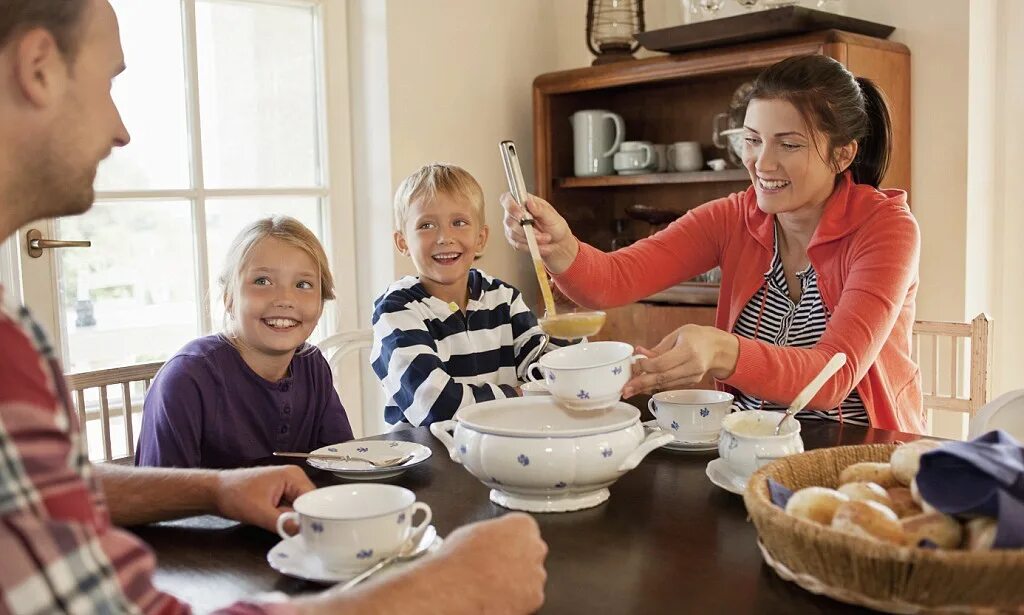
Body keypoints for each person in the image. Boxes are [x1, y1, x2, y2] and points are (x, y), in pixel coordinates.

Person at [0, 2, 547, 613]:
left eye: (306, 285)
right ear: (39, 68)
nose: (121, 129)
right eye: (109, 83)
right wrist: (444, 589)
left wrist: (218, 489)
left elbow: (55, 495)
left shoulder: (15, 340)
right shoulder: (166, 373)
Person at [501, 54, 924, 434]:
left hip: (858, 454)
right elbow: (612, 280)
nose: (762, 162)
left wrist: (724, 350)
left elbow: (832, 378)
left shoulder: (885, 228)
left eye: (789, 144)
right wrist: (558, 245)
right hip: (749, 446)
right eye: (753, 139)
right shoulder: (734, 216)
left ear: (843, 154)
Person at [136, 216, 354, 468]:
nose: (285, 299)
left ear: (321, 301)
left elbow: (343, 465)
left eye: (303, 284)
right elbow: (164, 498)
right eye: (262, 281)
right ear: (229, 297)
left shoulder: (313, 366)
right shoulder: (187, 379)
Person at [371, 163, 559, 428]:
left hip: (501, 451)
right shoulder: (395, 311)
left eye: (459, 223)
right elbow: (437, 407)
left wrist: (563, 319)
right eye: (426, 225)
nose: (445, 237)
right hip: (429, 462)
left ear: (481, 238)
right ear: (402, 242)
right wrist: (520, 394)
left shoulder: (504, 298)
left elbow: (551, 376)